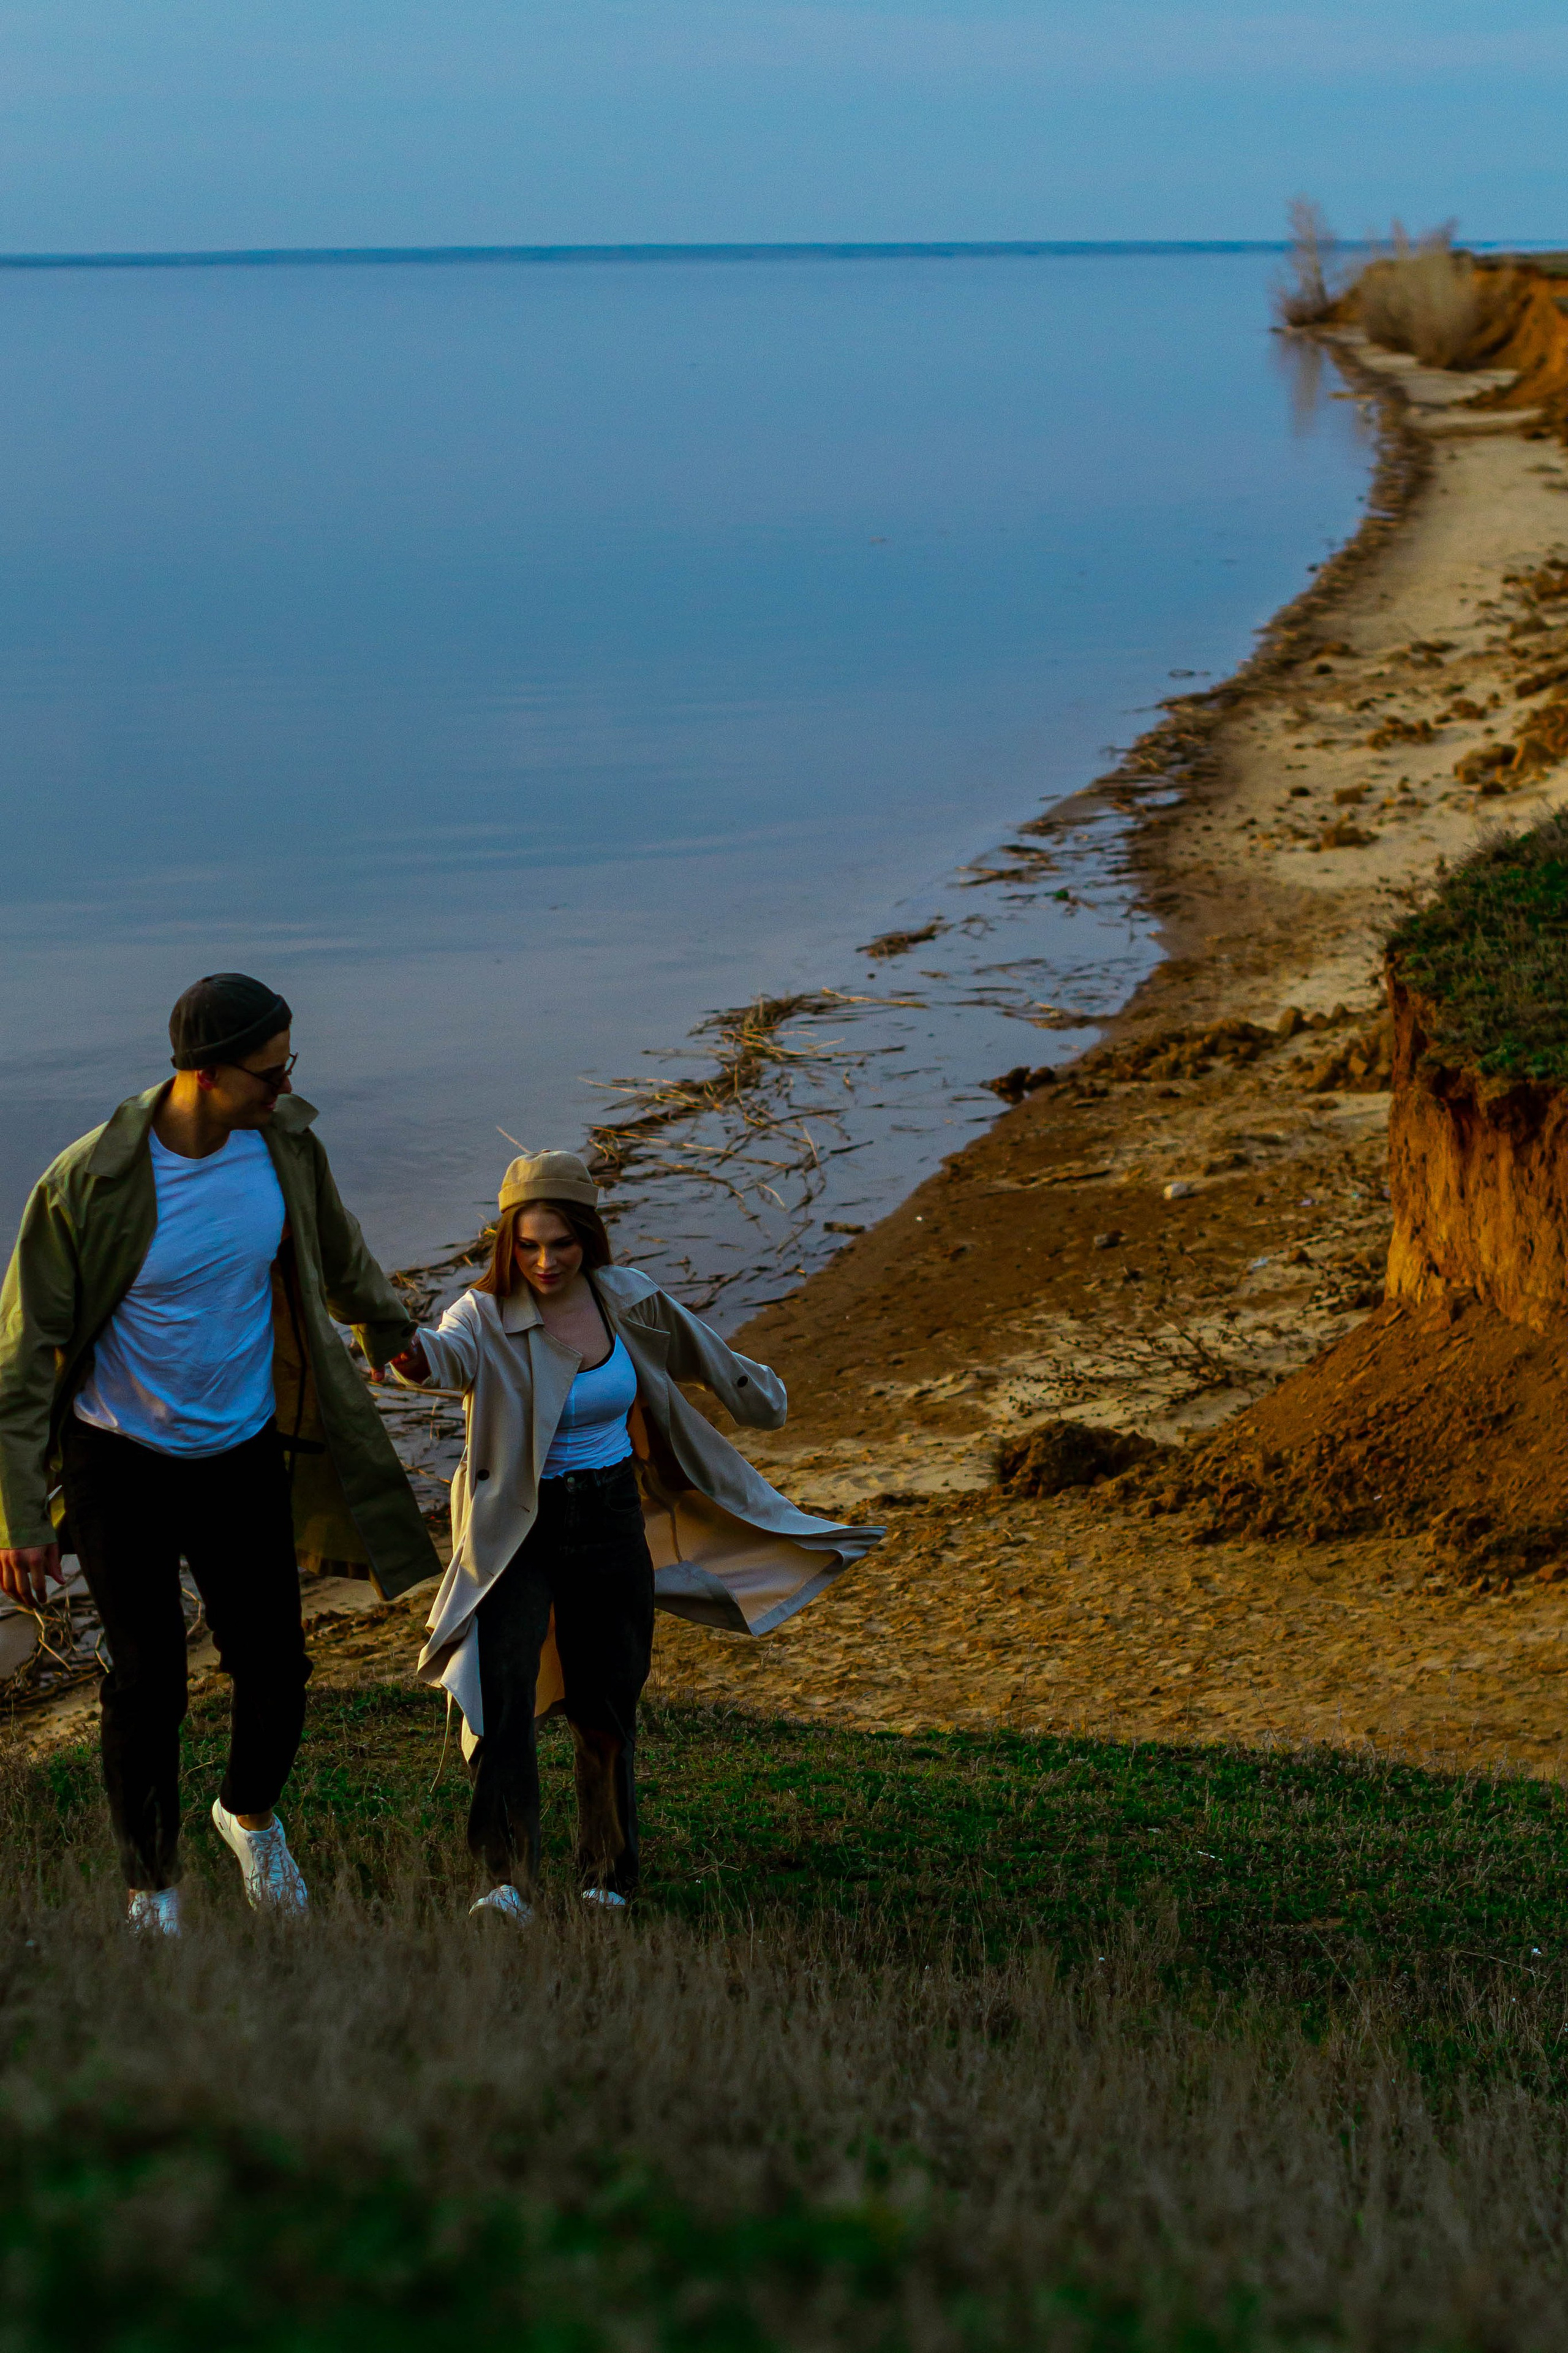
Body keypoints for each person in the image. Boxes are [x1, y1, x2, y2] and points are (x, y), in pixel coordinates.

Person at [0, 973, 440, 1935]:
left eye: (290, 1067)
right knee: (147, 1676)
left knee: (278, 1665)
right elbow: (26, 1354)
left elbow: (339, 1246)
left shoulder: (283, 1147)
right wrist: (22, 1514)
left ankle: (248, 1816)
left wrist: (388, 1329)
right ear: (205, 1072)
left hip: (240, 1447)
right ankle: (150, 1888)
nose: (285, 1087)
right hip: (119, 1458)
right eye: (270, 1071)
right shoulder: (88, 1182)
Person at [386, 1149, 880, 1922]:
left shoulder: (625, 1298)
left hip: (612, 1521)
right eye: (529, 1244)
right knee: (500, 1701)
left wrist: (759, 1398)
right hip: (518, 1529)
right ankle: (506, 1882)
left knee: (606, 1706)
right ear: (507, 1243)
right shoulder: (480, 1317)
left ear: (588, 1236)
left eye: (562, 1242)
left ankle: (606, 1876)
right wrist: (393, 1340)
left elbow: (705, 1355)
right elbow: (437, 1360)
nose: (546, 1261)